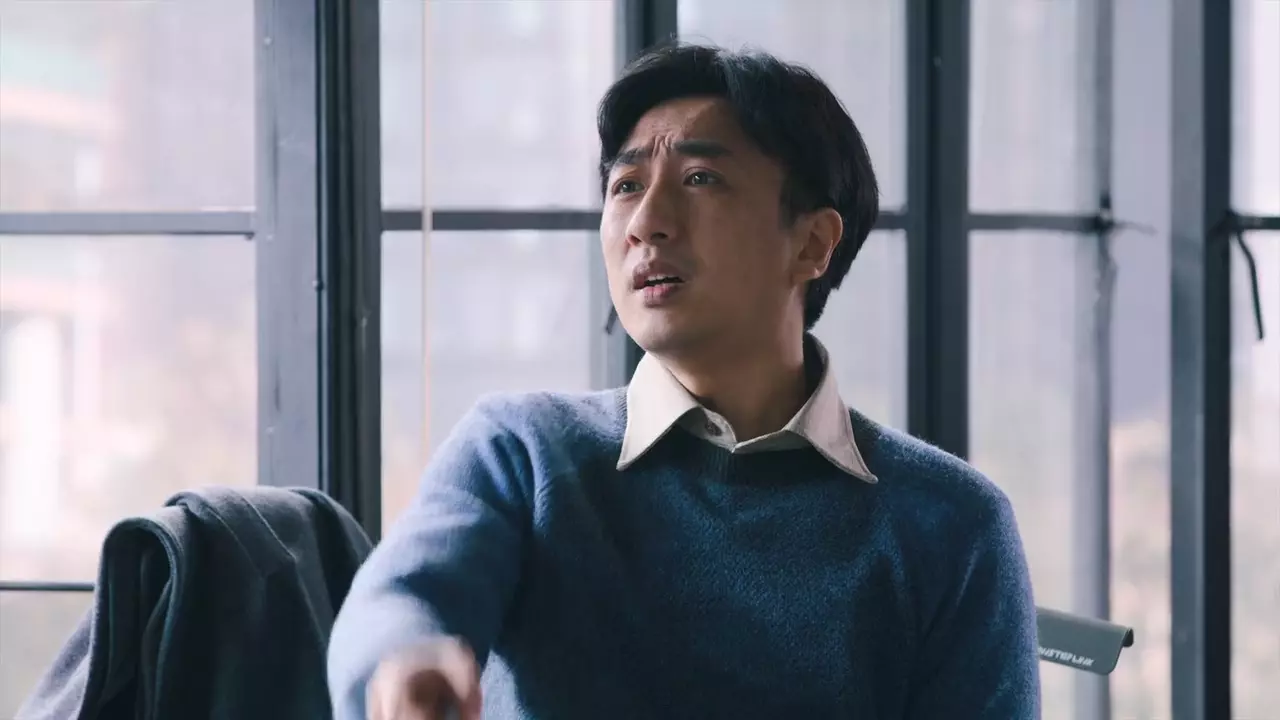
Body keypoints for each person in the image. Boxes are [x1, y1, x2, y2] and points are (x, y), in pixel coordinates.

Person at [328, 43, 1041, 720]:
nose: (646, 222)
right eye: (626, 186)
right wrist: (408, 664)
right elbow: (404, 601)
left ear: (812, 243)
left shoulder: (951, 523)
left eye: (700, 179)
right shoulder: (522, 451)